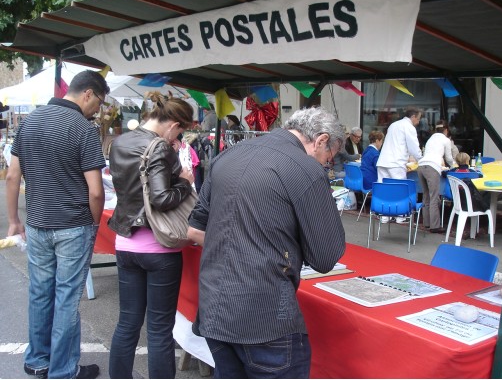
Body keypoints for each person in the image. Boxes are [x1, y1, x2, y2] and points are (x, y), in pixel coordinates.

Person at [186, 106, 346, 379]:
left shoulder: (229, 155)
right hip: (265, 314)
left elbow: (195, 228)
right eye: (328, 159)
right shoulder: (305, 168)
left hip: (214, 305)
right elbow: (324, 257)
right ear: (320, 140)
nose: (326, 165)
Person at [6, 70, 109, 379]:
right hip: (73, 225)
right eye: (99, 102)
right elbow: (95, 191)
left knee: (40, 293)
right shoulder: (83, 129)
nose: (98, 110)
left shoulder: (29, 122)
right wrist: (93, 224)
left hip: (37, 223)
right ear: (88, 93)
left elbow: (13, 176)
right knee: (66, 298)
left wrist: (14, 221)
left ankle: (37, 360)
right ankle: (63, 370)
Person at [107, 92, 194, 379]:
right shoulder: (160, 147)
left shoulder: (119, 142)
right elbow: (161, 198)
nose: (178, 137)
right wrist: (184, 182)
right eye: (181, 130)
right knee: (158, 328)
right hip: (159, 247)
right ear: (174, 125)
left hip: (125, 243)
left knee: (127, 322)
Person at [376, 106, 423, 223]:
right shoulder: (409, 127)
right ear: (412, 117)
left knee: (384, 189)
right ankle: (400, 216)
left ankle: (384, 215)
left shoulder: (394, 124)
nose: (419, 121)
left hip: (383, 160)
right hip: (396, 162)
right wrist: (421, 159)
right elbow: (414, 147)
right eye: (418, 118)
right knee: (399, 189)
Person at [417, 121, 455, 233]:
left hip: (421, 165)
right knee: (434, 196)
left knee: (426, 195)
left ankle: (427, 223)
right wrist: (454, 166)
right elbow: (448, 158)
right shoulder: (446, 140)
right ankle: (435, 226)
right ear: (446, 130)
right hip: (432, 167)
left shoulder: (431, 139)